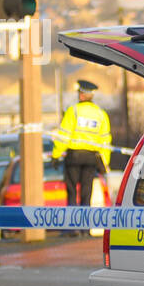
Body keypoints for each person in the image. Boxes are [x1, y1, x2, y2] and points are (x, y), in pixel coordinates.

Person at [52, 79, 112, 212]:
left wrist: (55, 155)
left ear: (81, 95)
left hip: (74, 157)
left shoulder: (73, 111)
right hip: (90, 158)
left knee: (72, 192)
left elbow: (64, 136)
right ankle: (85, 228)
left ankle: (72, 228)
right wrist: (104, 163)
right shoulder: (101, 115)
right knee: (86, 194)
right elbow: (105, 142)